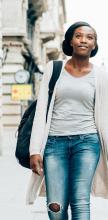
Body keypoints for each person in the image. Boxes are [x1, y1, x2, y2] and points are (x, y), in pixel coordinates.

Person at [27, 21, 108, 220]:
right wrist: (35, 150)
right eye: (79, 36)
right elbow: (41, 111)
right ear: (70, 41)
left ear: (95, 45)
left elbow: (105, 116)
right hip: (54, 143)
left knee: (80, 201)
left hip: (87, 143)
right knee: (56, 206)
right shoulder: (53, 69)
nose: (84, 40)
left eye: (90, 37)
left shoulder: (101, 76)